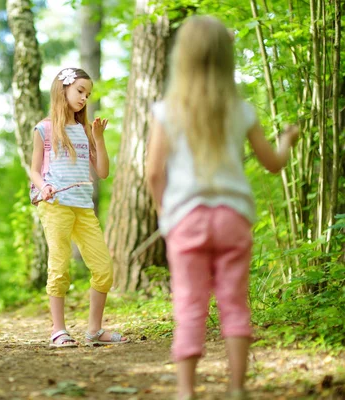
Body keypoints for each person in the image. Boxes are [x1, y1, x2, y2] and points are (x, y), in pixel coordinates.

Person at [145, 16, 299, 400]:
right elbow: (273, 163)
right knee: (233, 301)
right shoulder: (241, 110)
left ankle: (185, 391)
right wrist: (287, 139)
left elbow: (152, 173)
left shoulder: (167, 111)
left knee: (189, 303)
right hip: (232, 217)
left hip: (186, 219)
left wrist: (165, 216)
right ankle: (237, 388)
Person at [30, 67, 129, 348]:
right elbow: (34, 170)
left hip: (84, 207)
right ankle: (58, 330)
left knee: (103, 269)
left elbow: (103, 172)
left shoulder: (85, 130)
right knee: (59, 267)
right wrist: (43, 187)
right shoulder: (44, 128)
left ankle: (94, 331)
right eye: (80, 91)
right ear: (63, 90)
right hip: (56, 204)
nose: (84, 98)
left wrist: (98, 137)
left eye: (88, 94)